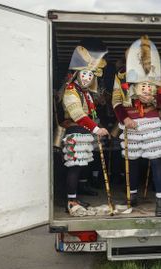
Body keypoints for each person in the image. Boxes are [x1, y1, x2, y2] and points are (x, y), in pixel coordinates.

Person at [112, 36, 161, 217]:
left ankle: (160, 200)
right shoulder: (120, 76)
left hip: (151, 119)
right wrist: (124, 119)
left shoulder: (155, 74)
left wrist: (154, 99)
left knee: (156, 160)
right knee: (133, 160)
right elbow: (116, 101)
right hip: (131, 122)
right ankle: (133, 196)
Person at [62, 44, 109, 215]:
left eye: (90, 75)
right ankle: (71, 201)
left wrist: (96, 128)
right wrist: (97, 130)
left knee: (81, 166)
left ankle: (76, 197)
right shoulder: (70, 91)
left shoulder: (86, 93)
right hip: (75, 132)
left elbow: (91, 113)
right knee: (74, 167)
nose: (87, 77)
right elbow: (78, 115)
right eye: (84, 74)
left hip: (84, 134)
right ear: (76, 75)